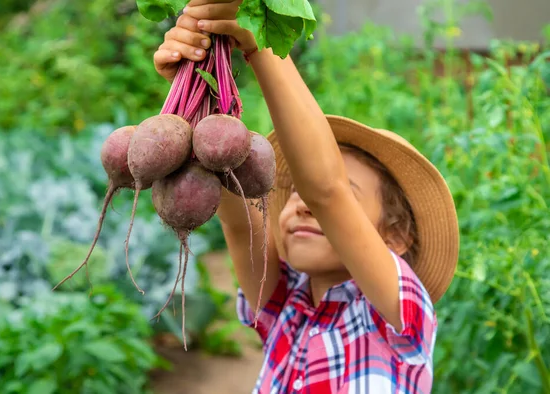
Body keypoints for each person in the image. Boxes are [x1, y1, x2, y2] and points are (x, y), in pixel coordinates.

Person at [153, 1, 460, 392]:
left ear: (396, 237)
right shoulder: (284, 307)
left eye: (347, 199)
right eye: (295, 192)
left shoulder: (399, 317)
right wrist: (198, 80)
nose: (303, 203)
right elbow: (238, 218)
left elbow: (326, 192)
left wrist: (258, 42)